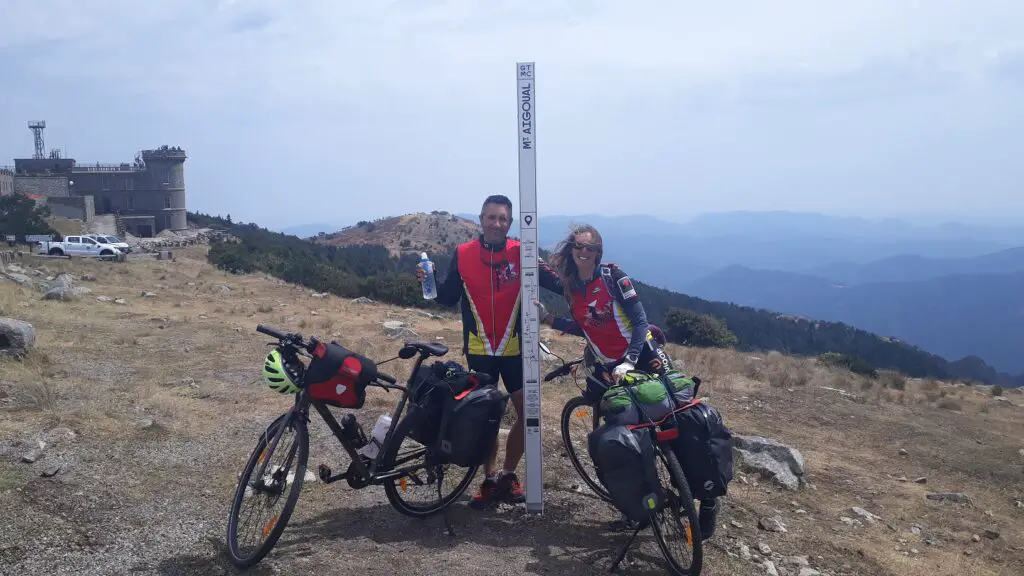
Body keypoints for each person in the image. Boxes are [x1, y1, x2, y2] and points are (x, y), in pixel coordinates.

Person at [536, 224, 718, 540]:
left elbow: (640, 321)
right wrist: (549, 319)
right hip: (609, 370)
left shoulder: (612, 278)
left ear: (598, 253)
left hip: (645, 358)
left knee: (675, 426)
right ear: (571, 249)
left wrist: (631, 360)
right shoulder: (571, 287)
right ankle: (641, 505)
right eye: (578, 246)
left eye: (590, 248)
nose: (583, 252)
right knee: (622, 440)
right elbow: (588, 327)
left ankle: (705, 500)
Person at [416, 194, 562, 509]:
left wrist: (593, 281)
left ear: (510, 224)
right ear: (481, 219)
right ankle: (490, 478)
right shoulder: (464, 253)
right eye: (491, 217)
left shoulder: (522, 253)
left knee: (529, 414)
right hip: (480, 350)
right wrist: (427, 283)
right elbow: (447, 295)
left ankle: (509, 475)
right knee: (485, 418)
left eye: (503, 219)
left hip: (516, 350)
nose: (497, 223)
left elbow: (558, 283)